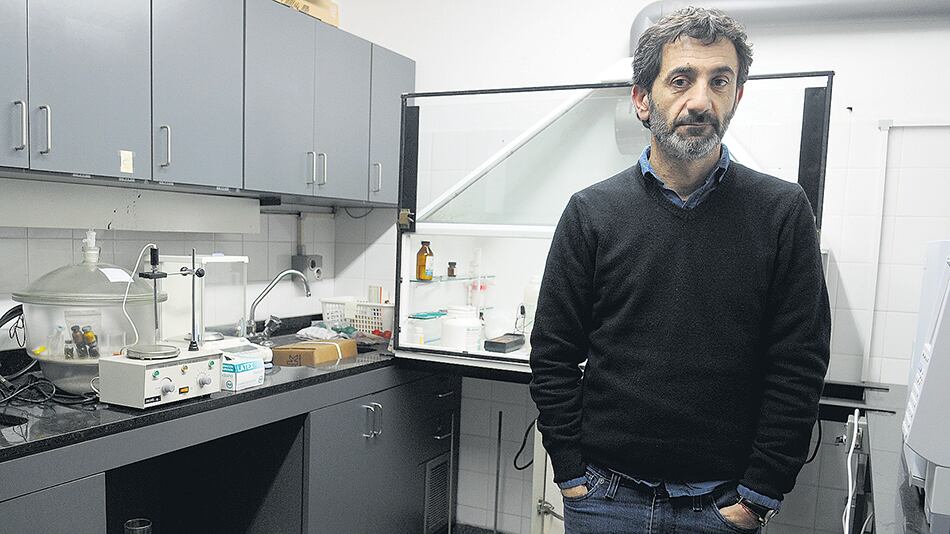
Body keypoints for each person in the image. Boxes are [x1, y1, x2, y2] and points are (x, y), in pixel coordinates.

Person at [528, 7, 830, 533]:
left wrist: (759, 493)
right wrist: (571, 471)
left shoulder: (782, 212)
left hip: (720, 504)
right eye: (681, 80)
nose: (701, 100)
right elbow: (553, 353)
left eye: (720, 82)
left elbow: (798, 366)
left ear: (737, 97)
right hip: (605, 496)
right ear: (643, 100)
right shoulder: (591, 212)